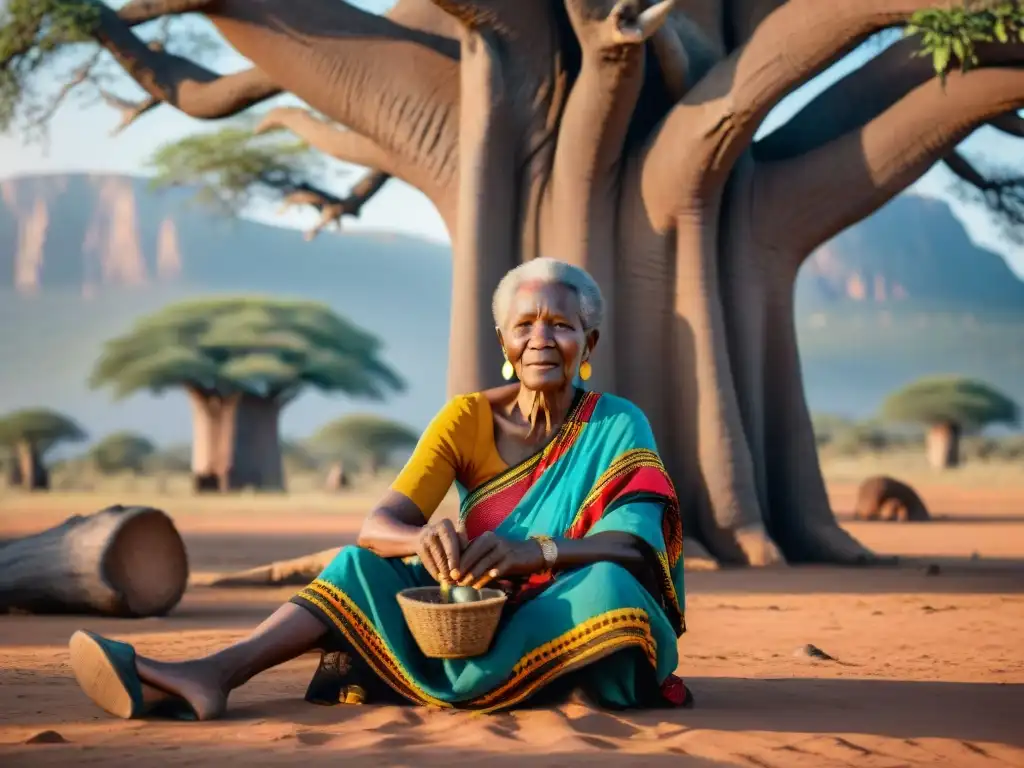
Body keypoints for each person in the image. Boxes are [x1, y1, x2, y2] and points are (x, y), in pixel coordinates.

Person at [67, 257, 690, 720]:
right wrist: (426, 538)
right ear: (503, 342)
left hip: (571, 608)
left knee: (612, 586)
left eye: (560, 325)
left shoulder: (617, 421)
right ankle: (215, 673)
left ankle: (556, 680)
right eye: (524, 324)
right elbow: (377, 525)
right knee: (358, 564)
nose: (540, 340)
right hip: (477, 613)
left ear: (589, 343)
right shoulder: (466, 418)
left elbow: (636, 546)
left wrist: (540, 552)